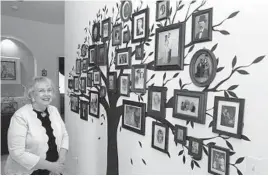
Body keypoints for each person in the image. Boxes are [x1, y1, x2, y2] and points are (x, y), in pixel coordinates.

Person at [5, 76, 69, 175]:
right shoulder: (20, 116)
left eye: (49, 90)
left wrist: (59, 163)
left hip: (54, 170)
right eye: (41, 90)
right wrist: (51, 166)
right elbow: (17, 153)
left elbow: (64, 135)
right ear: (32, 95)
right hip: (29, 172)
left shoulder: (54, 110)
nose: (47, 94)